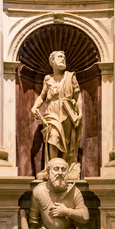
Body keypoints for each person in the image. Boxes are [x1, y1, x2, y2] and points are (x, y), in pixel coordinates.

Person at [31, 51, 82, 179]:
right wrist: (35, 107)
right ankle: (51, 168)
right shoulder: (48, 79)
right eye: (60, 57)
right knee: (53, 137)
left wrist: (80, 113)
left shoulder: (70, 77)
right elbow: (42, 96)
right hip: (52, 113)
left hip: (67, 113)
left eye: (64, 57)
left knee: (66, 142)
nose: (63, 59)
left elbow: (78, 97)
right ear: (52, 61)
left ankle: (65, 170)